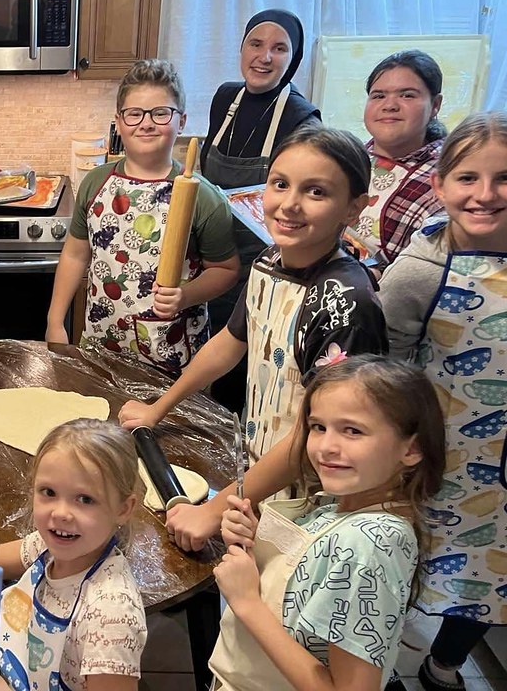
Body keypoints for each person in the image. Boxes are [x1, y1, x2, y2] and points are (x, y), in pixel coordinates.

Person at [120, 124, 388, 478]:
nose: (290, 204)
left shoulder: (344, 303)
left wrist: (225, 505)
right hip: (257, 466)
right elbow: (229, 344)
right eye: (280, 184)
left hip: (312, 487)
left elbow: (322, 433)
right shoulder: (269, 262)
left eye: (316, 192)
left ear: (354, 208)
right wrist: (158, 409)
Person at [210, 355, 445, 690]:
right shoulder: (348, 505)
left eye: (352, 430)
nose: (326, 447)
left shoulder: (370, 543)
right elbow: (309, 577)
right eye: (318, 427)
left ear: (412, 448)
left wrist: (247, 602)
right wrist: (254, 537)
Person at [377, 112, 507, 691]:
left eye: (504, 179)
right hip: (432, 460)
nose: (485, 195)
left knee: (489, 580)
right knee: (400, 568)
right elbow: (385, 373)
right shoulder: (419, 271)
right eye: (467, 179)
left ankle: (444, 666)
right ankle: (374, 662)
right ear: (439, 184)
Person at [45, 59, 240, 374]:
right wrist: (56, 320)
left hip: (173, 357)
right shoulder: (95, 183)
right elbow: (75, 254)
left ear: (181, 121)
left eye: (160, 113)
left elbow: (226, 270)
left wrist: (186, 295)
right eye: (134, 113)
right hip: (100, 346)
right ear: (119, 123)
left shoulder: (201, 196)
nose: (146, 123)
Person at [0, 419, 147, 691]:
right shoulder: (47, 546)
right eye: (49, 492)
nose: (60, 513)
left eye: (85, 499)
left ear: (124, 509)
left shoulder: (110, 618)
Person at [201, 9, 321, 413]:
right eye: (256, 44)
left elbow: (305, 204)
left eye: (279, 48)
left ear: (294, 59)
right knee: (209, 370)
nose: (264, 56)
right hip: (213, 262)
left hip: (265, 269)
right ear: (241, 48)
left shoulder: (302, 118)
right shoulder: (224, 99)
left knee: (246, 380)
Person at [354, 50, 446, 269]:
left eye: (407, 95)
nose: (390, 105)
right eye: (378, 96)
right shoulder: (346, 157)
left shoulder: (450, 178)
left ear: (435, 105)